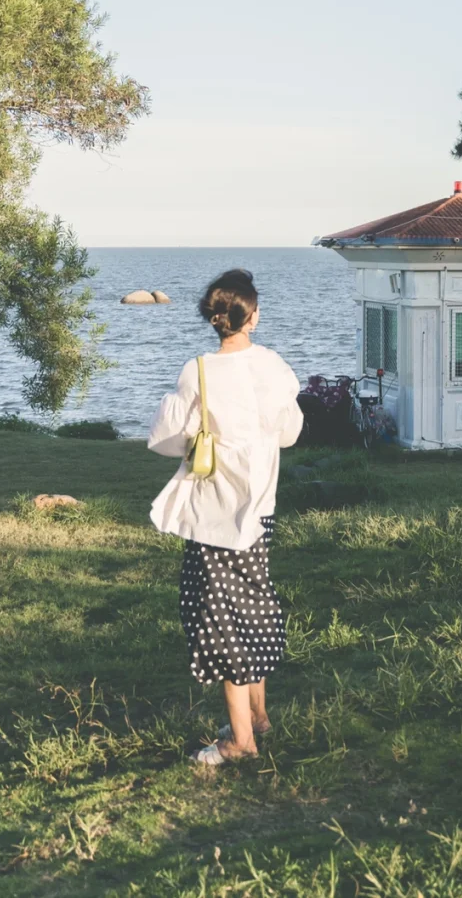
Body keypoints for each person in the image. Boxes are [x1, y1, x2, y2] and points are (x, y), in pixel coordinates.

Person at [147, 268, 303, 764]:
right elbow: (289, 433)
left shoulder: (199, 371)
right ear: (250, 317)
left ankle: (241, 742)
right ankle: (257, 715)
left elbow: (165, 439)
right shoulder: (274, 367)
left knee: (220, 621)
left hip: (215, 515)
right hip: (260, 509)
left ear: (215, 321)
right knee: (251, 608)